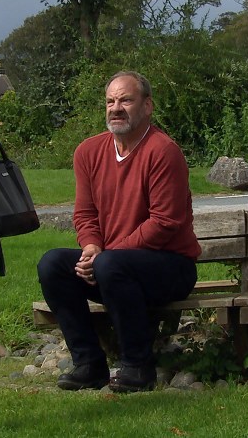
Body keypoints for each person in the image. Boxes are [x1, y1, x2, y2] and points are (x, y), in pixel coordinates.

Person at [37, 70, 201, 393]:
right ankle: (89, 364)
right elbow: (84, 214)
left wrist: (107, 255)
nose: (116, 107)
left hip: (171, 266)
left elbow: (165, 223)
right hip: (112, 266)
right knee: (52, 265)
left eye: (126, 100)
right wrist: (91, 248)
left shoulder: (163, 151)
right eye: (110, 101)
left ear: (147, 106)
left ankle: (138, 367)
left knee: (110, 266)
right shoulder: (87, 152)